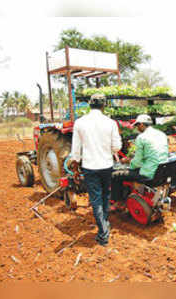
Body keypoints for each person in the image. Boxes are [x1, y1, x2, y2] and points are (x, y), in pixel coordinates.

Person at [71, 93, 122, 246]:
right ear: (104, 105)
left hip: (89, 166)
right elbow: (116, 147)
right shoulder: (111, 123)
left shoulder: (80, 122)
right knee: (106, 195)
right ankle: (104, 224)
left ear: (89, 104)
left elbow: (76, 150)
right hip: (106, 165)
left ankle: (103, 234)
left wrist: (75, 168)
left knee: (95, 199)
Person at [111, 114, 169, 202]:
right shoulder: (161, 134)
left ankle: (118, 202)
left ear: (142, 124)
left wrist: (128, 162)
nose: (137, 128)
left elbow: (136, 163)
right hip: (162, 171)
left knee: (116, 175)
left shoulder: (142, 137)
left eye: (137, 125)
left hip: (148, 173)